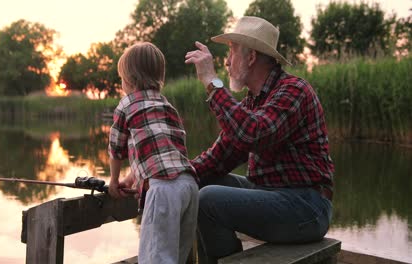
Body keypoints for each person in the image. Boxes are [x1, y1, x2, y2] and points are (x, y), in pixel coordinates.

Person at [184, 16, 335, 263]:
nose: (227, 61)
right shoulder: (253, 102)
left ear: (251, 57)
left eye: (231, 52)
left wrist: (212, 83)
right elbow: (218, 157)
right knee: (199, 183)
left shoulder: (294, 90)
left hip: (307, 208)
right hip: (270, 195)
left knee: (208, 200)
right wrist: (165, 175)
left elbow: (253, 134)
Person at [108, 42, 199, 264]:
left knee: (155, 259)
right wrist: (131, 179)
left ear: (128, 79)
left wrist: (113, 181)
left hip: (163, 191)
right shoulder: (167, 105)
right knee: (177, 255)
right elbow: (164, 152)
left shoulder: (127, 104)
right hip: (189, 187)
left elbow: (116, 147)